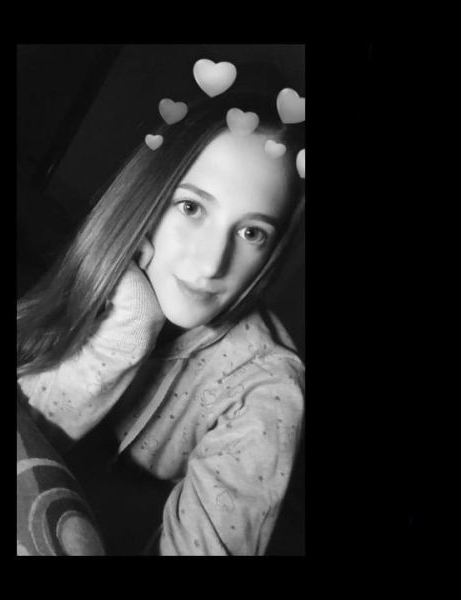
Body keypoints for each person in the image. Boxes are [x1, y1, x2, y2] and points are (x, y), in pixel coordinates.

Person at [17, 60, 305, 555]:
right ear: (149, 201)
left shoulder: (265, 390)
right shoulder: (107, 274)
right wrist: (126, 330)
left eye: (251, 232)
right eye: (191, 207)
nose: (212, 263)